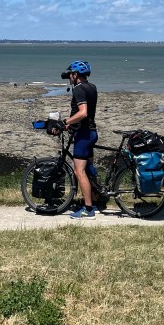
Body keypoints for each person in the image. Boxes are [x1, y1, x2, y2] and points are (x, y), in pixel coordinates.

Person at [61, 60, 99, 219]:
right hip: (91, 132)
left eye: (71, 74)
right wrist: (71, 124)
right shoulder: (92, 87)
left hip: (83, 135)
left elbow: (83, 113)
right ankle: (95, 199)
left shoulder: (78, 89)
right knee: (88, 168)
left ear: (76, 74)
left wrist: (66, 122)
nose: (69, 76)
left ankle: (88, 209)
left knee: (79, 171)